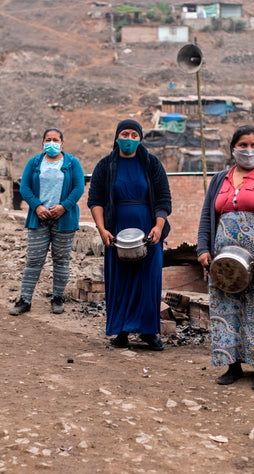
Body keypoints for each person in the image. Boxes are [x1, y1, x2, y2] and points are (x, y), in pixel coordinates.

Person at [197, 125, 254, 391]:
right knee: (227, 309)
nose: (248, 150)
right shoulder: (219, 180)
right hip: (223, 261)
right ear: (233, 149)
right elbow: (206, 216)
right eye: (243, 145)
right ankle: (232, 365)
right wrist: (203, 249)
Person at [87, 119, 171, 351]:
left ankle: (148, 332)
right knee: (120, 280)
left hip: (148, 230)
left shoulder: (152, 164)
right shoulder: (105, 166)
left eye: (135, 135)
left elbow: (163, 199)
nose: (129, 139)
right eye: (125, 134)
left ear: (140, 139)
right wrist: (102, 229)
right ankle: (121, 331)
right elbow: (95, 201)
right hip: (116, 230)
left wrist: (158, 226)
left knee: (148, 280)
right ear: (116, 137)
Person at [10, 128, 85, 315]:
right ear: (43, 142)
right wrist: (37, 206)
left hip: (64, 219)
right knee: (34, 260)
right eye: (48, 139)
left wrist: (64, 207)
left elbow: (79, 187)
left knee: (61, 260)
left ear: (62, 143)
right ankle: (25, 300)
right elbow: (25, 187)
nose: (52, 143)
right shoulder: (35, 162)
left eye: (56, 139)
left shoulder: (72, 163)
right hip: (39, 218)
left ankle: (57, 298)